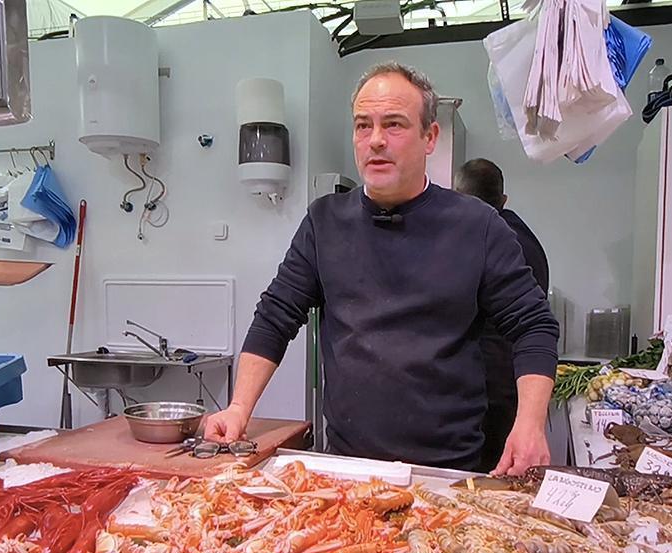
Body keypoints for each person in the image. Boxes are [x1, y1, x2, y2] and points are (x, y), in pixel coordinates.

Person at [205, 63, 559, 475]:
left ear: (430, 137)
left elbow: (533, 326)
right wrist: (238, 407)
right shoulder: (324, 222)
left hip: (447, 469)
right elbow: (275, 316)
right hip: (346, 466)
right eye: (362, 126)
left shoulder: (478, 225)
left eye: (394, 125)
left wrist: (530, 424)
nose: (375, 140)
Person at [453, 158, 551, 471]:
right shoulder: (529, 239)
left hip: (484, 386)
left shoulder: (477, 240)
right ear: (504, 200)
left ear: (457, 196)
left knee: (481, 480)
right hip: (515, 380)